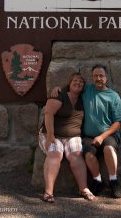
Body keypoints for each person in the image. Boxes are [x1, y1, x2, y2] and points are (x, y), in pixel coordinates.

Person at [51, 64, 121, 198]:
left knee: (108, 149)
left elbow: (118, 122)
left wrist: (102, 137)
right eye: (95, 76)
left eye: (101, 76)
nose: (98, 78)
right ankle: (98, 181)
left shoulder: (113, 96)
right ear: (92, 78)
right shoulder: (87, 90)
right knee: (88, 155)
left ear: (106, 78)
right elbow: (73, 87)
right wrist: (59, 89)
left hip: (109, 134)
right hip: (88, 136)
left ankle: (114, 181)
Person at [39, 72, 95, 203]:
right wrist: (50, 136)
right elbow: (48, 114)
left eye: (81, 82)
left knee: (76, 155)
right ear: (69, 83)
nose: (78, 83)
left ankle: (84, 188)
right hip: (52, 133)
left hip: (73, 136)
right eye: (75, 80)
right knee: (55, 154)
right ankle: (48, 192)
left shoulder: (83, 98)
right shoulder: (60, 95)